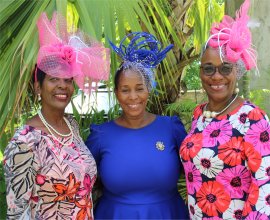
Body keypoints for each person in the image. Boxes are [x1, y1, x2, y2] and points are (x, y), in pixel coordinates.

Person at [4, 12, 110, 219]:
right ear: (38, 87)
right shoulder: (25, 141)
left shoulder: (71, 126)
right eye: (53, 79)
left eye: (68, 79)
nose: (62, 85)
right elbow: (16, 211)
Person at [179, 0, 270, 219]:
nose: (216, 76)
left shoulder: (252, 118)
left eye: (225, 68)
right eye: (208, 69)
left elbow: (264, 191)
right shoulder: (199, 115)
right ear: (200, 74)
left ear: (236, 72)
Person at [85, 32, 190, 219]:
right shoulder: (101, 135)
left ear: (149, 89)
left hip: (167, 214)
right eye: (125, 90)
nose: (133, 97)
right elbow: (82, 181)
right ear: (116, 93)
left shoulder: (171, 128)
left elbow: (196, 171)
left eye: (139, 88)